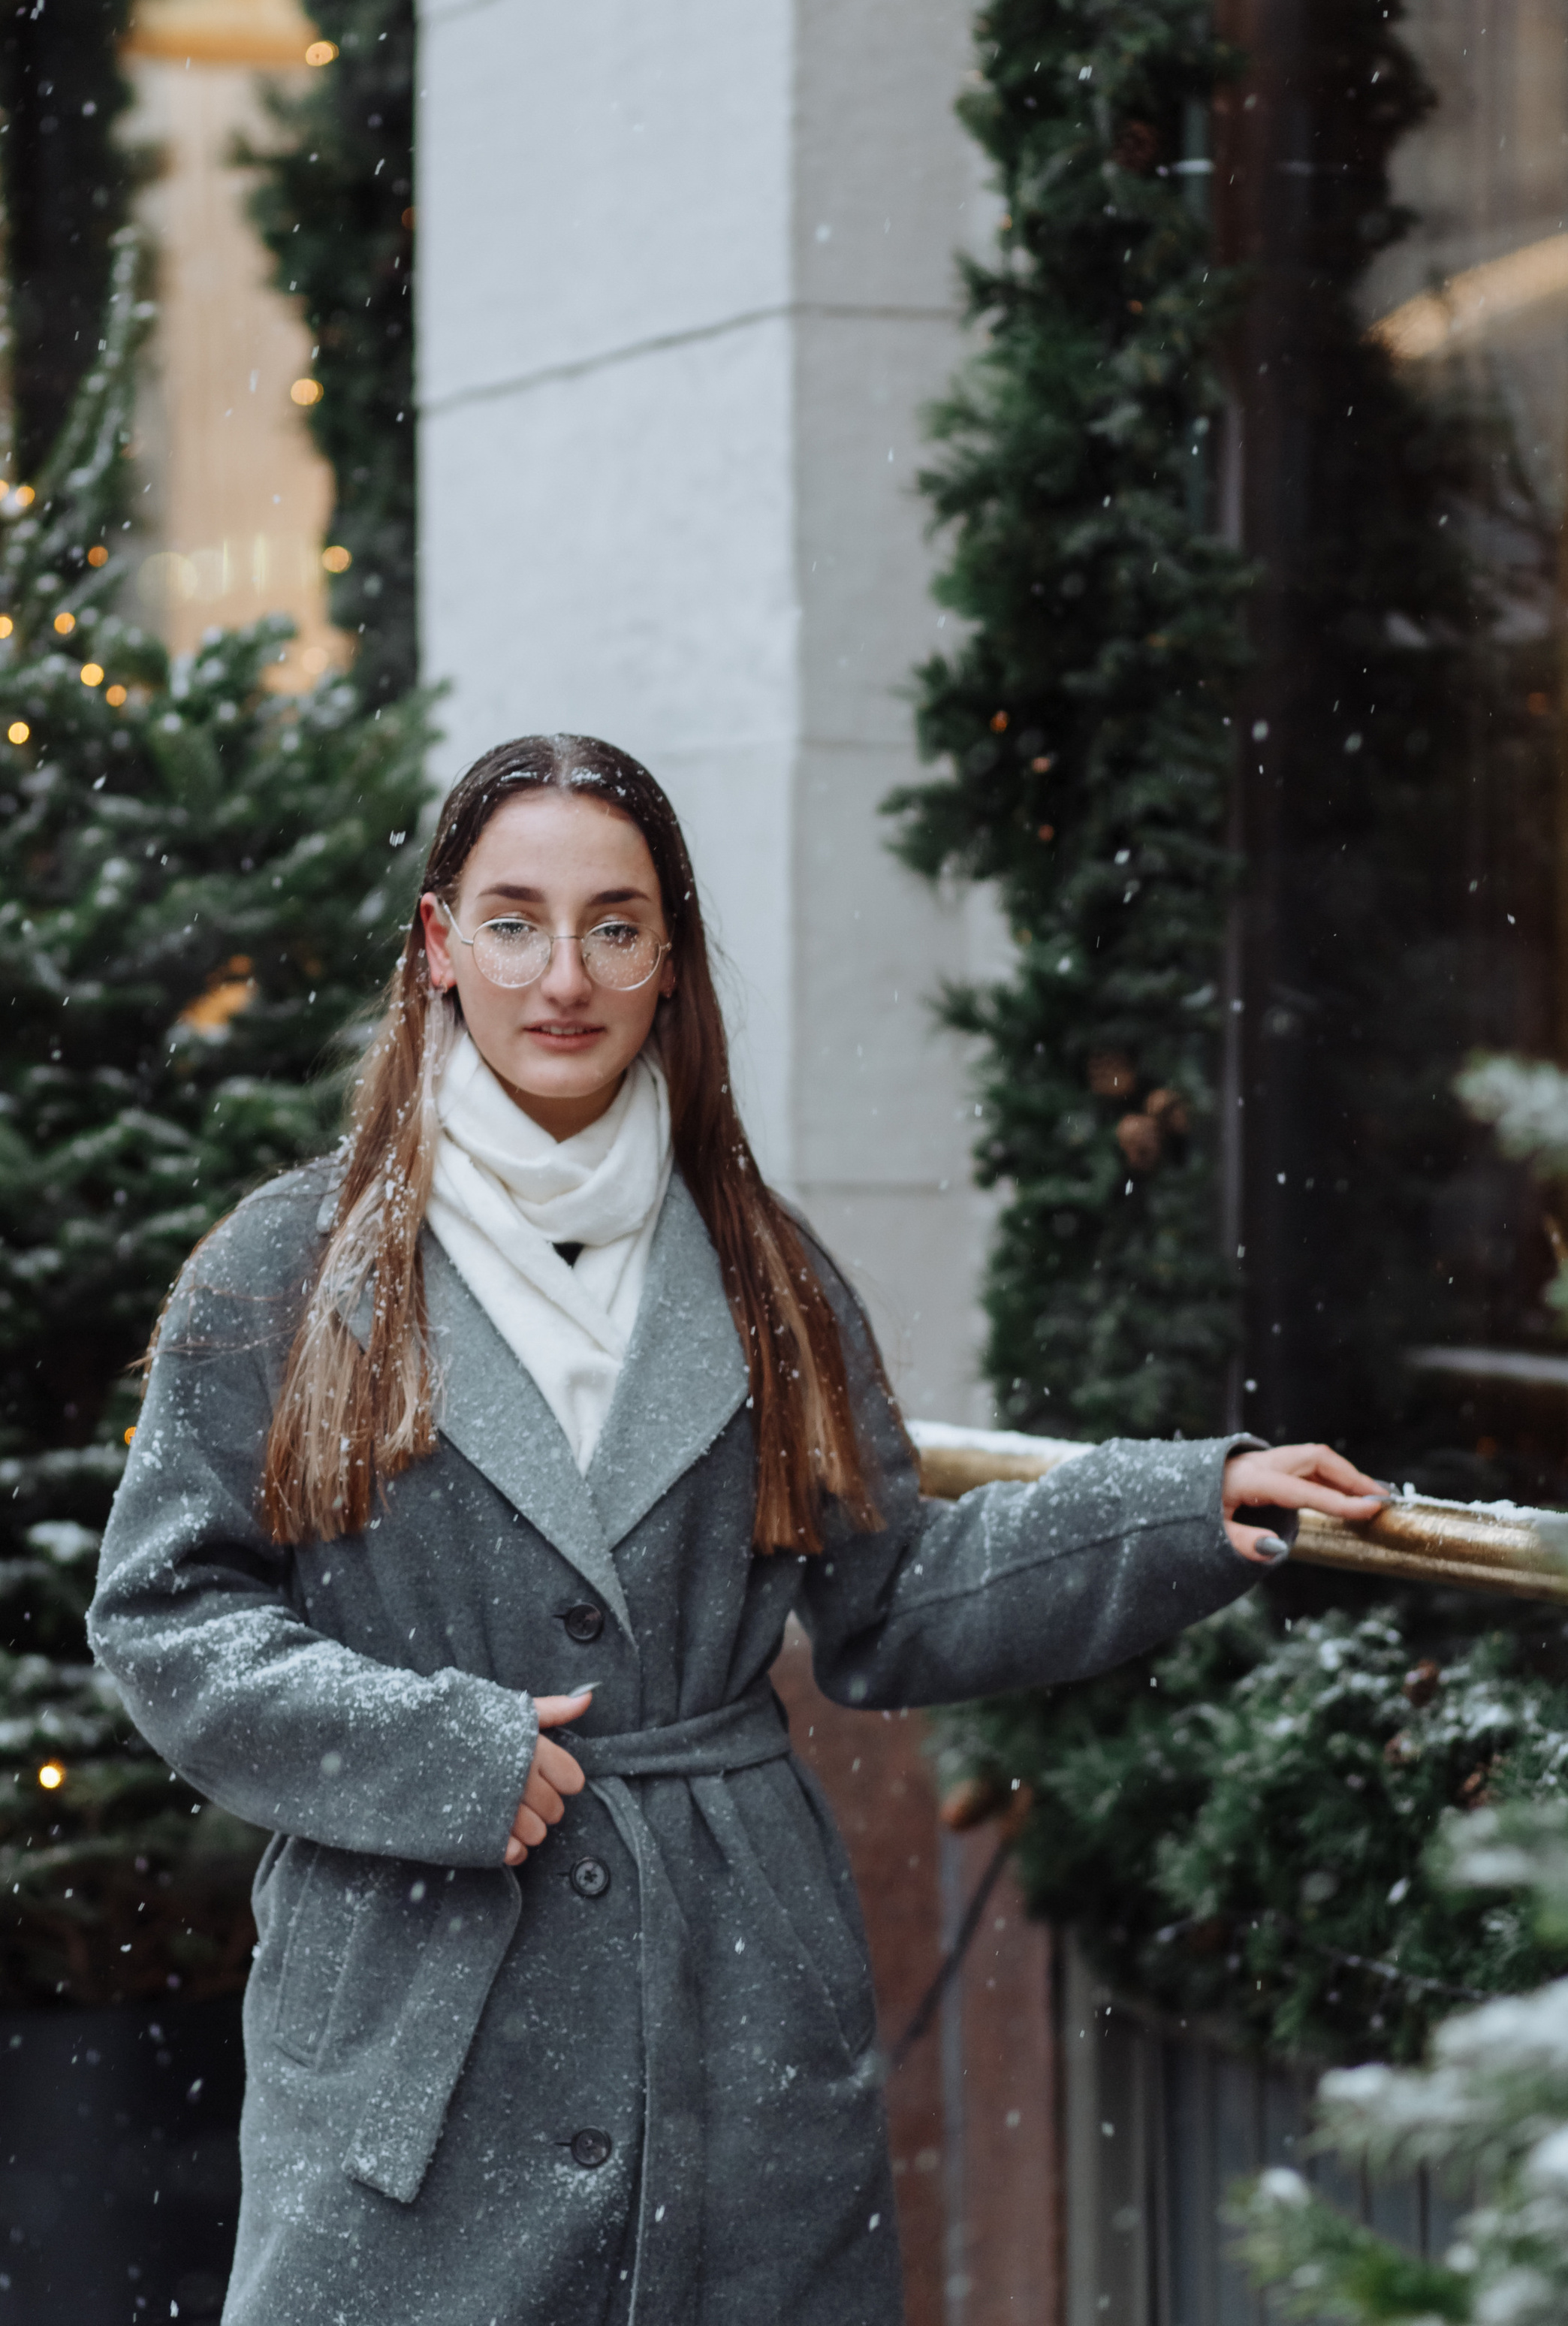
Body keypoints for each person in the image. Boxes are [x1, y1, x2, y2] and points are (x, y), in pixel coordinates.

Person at [88, 732, 1386, 2326]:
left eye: (614, 926)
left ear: (668, 961)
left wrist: (1182, 1508)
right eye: (512, 921)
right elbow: (165, 1616)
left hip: (734, 2010)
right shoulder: (285, 1270)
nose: (562, 974)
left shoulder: (762, 1271)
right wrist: (436, 1754)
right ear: (437, 948)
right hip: (413, 2019)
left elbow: (890, 1598)